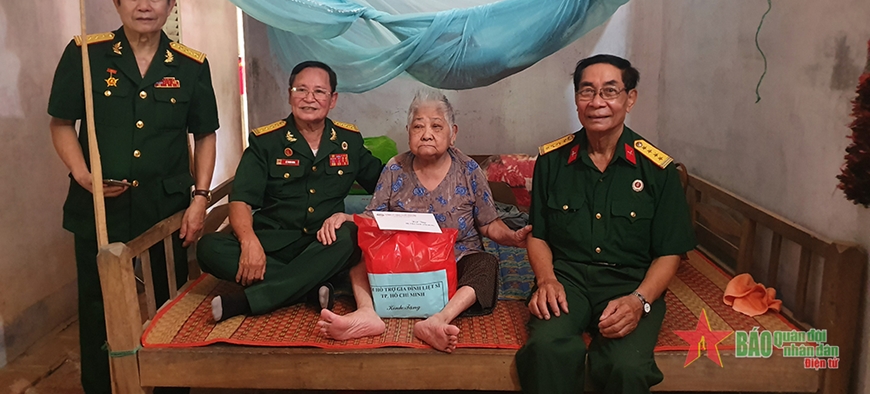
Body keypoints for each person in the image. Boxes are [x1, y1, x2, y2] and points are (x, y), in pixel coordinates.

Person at [48, 0, 219, 394]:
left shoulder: (190, 65)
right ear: (116, 1)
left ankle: (169, 384)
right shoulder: (86, 55)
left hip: (164, 207)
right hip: (98, 207)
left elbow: (204, 134)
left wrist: (200, 199)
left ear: (170, 4)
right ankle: (101, 386)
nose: (144, 5)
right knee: (98, 303)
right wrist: (82, 174)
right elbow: (61, 123)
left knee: (169, 302)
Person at [515, 54, 696, 394]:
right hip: (567, 281)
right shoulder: (552, 161)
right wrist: (546, 280)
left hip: (630, 282)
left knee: (627, 366)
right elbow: (538, 235)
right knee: (546, 349)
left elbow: (670, 252)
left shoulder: (658, 170)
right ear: (576, 99)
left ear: (630, 98)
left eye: (610, 91)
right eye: (587, 91)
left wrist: (639, 300)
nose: (597, 102)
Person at [316, 89, 531, 352]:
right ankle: (366, 313)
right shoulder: (395, 168)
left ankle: (438, 320)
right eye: (418, 126)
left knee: (486, 265)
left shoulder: (469, 170)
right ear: (408, 131)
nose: (427, 134)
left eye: (436, 126)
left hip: (457, 259)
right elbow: (372, 219)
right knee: (359, 251)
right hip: (403, 260)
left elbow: (488, 223)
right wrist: (345, 217)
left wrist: (512, 237)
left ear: (453, 133)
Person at [197, 61, 384, 321]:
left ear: (332, 100)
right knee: (208, 248)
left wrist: (422, 164)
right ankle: (310, 287)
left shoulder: (348, 141)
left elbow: (385, 185)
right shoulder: (266, 142)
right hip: (272, 243)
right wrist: (249, 242)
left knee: (350, 235)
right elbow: (240, 199)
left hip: (323, 244)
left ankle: (248, 300)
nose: (309, 98)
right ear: (289, 95)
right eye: (301, 90)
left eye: (319, 92)